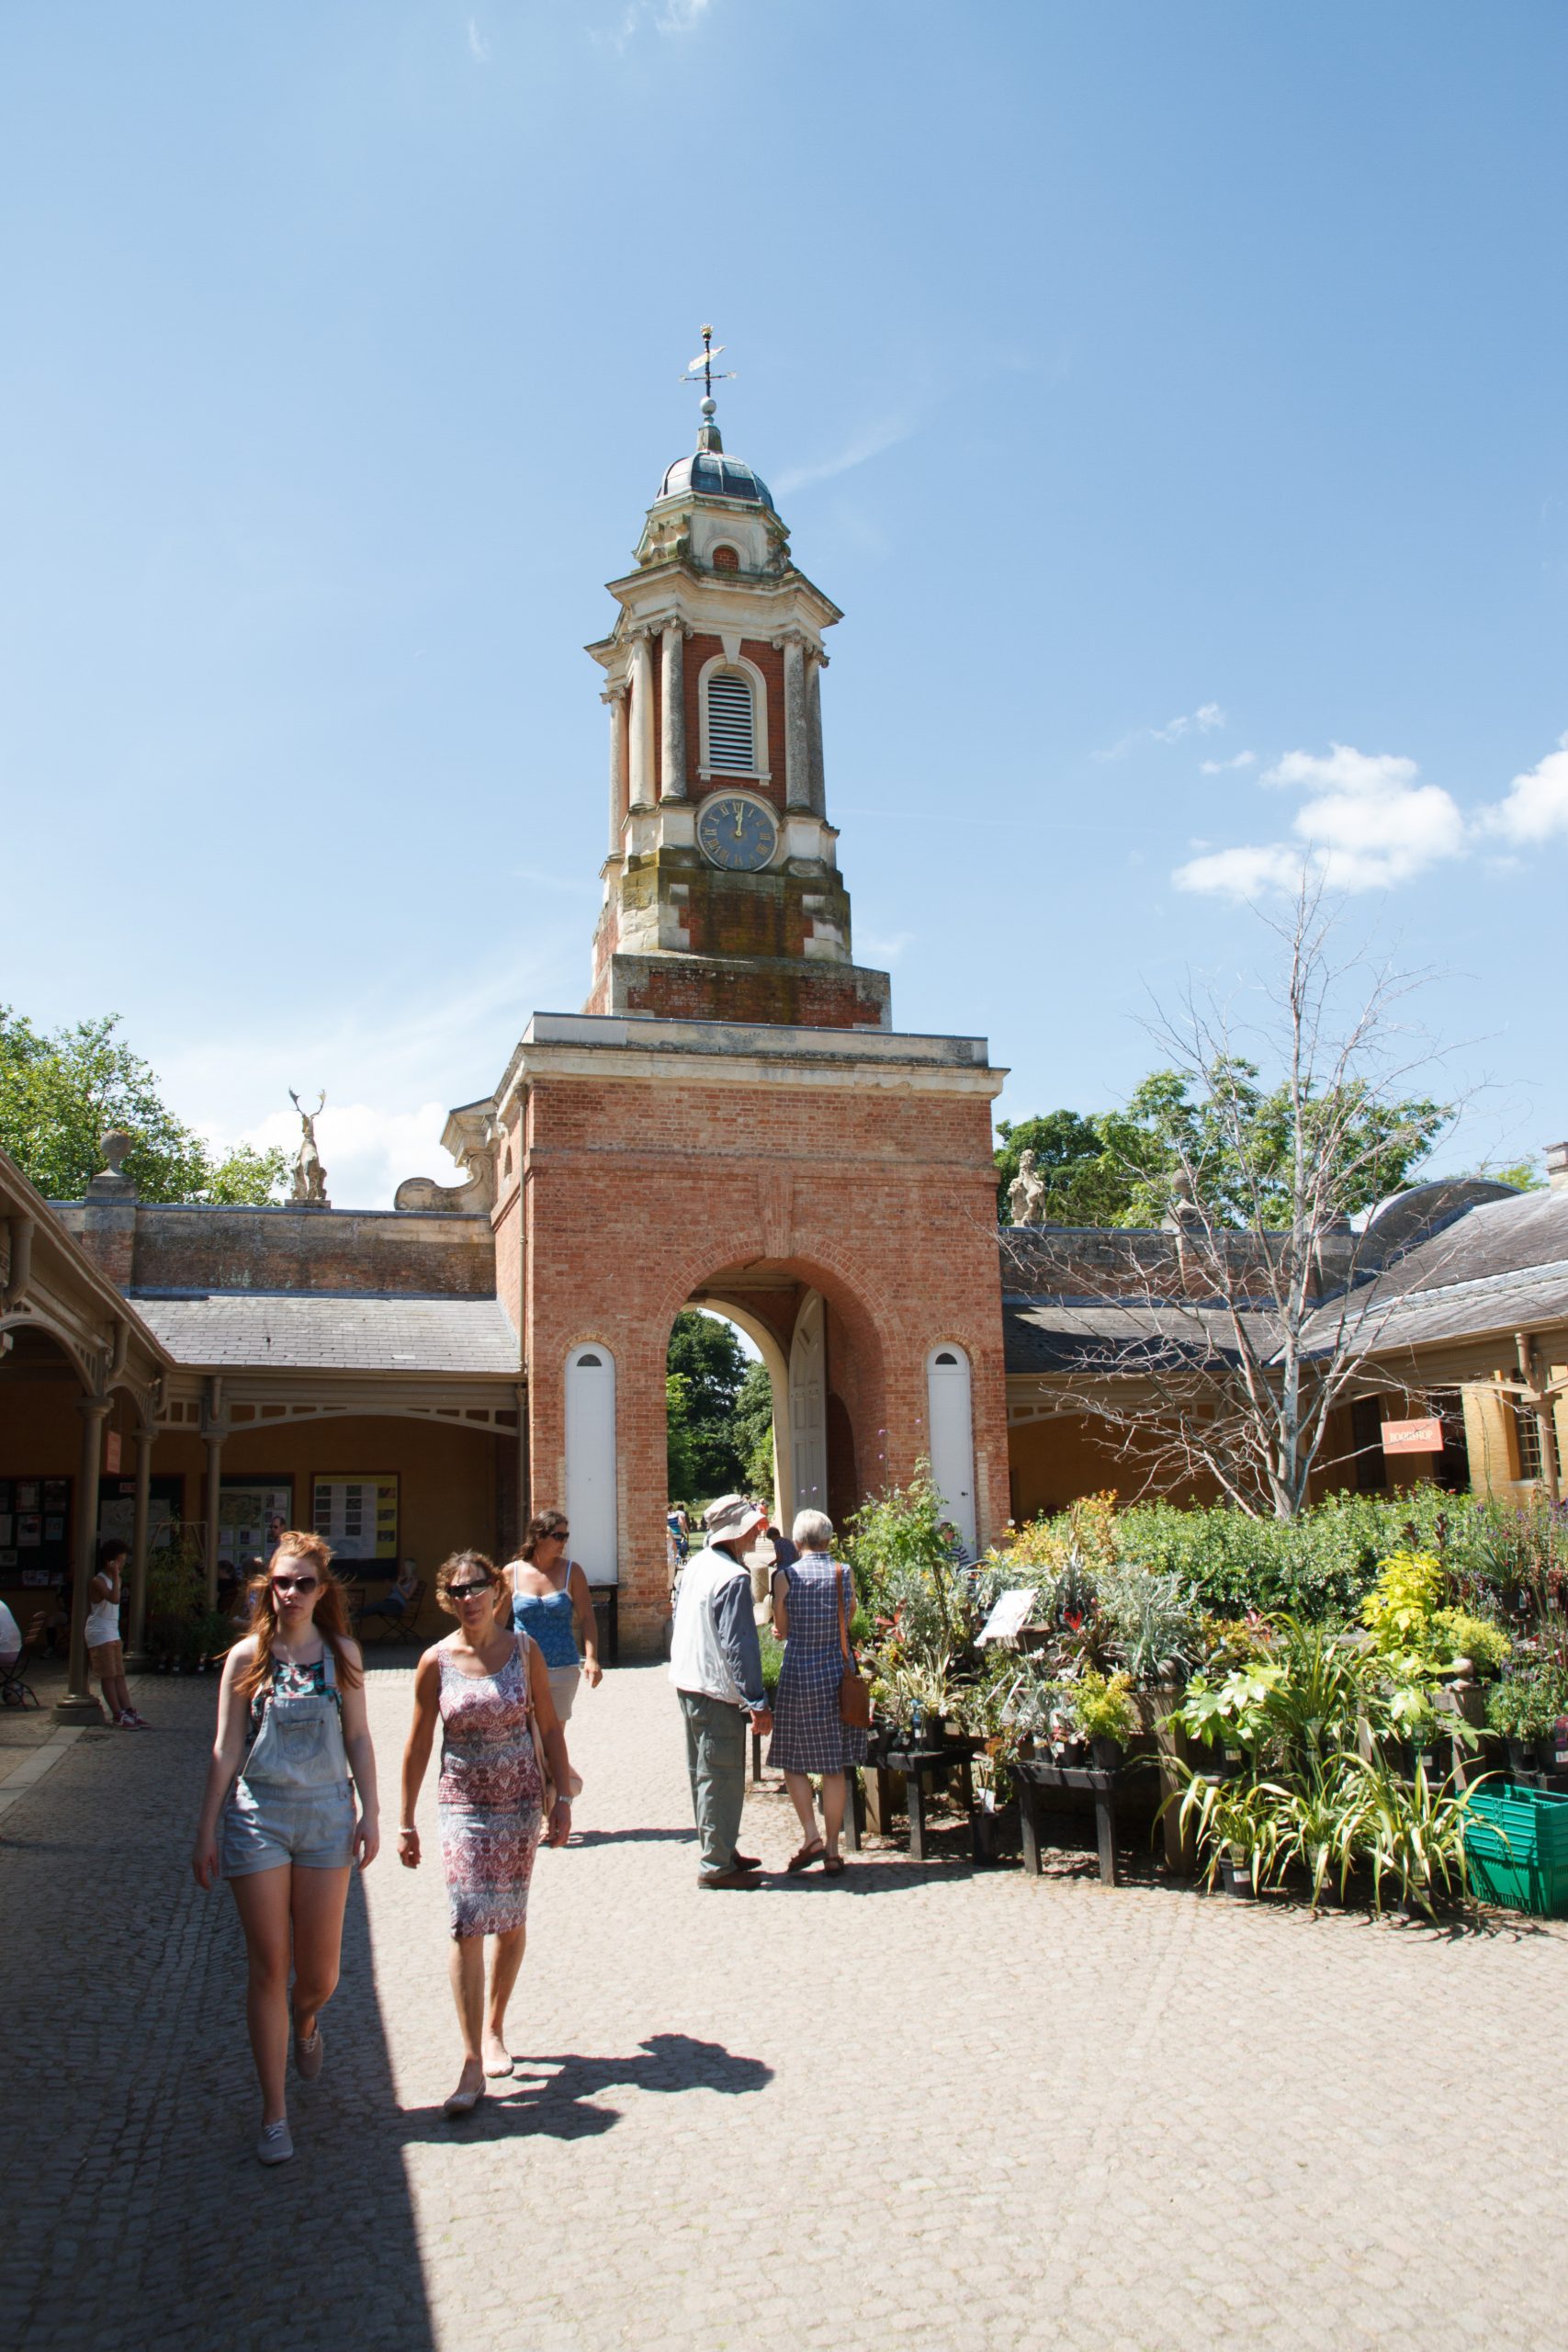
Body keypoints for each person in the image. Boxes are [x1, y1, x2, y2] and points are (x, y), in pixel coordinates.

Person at [189, 1531, 379, 2166]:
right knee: (270, 1965)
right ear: (266, 1587)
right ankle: (273, 2112)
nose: (291, 1593)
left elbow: (357, 1738)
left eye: (303, 1582)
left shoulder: (341, 1654)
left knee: (319, 1974)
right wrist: (206, 1828)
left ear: (322, 1590)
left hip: (326, 1816)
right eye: (281, 1582)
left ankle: (306, 2022)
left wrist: (371, 1811)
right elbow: (226, 1747)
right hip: (258, 1819)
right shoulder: (246, 1658)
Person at [398, 1551, 572, 2116]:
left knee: (511, 1918)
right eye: (456, 1589)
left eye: (477, 1587)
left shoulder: (524, 1652)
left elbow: (547, 1722)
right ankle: (472, 2059)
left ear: (496, 1592)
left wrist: (562, 1798)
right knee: (468, 1918)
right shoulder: (435, 1661)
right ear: (447, 1598)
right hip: (463, 1804)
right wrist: (404, 1819)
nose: (468, 1597)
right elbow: (420, 1741)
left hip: (520, 1801)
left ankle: (496, 2024)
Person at [668, 1494, 773, 1888]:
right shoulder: (733, 1577)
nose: (754, 1531)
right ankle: (716, 1865)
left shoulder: (697, 1565)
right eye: (749, 1526)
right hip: (714, 1688)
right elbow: (740, 1644)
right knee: (722, 1774)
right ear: (739, 1530)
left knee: (703, 1770)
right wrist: (757, 1700)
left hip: (689, 1680)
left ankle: (721, 1847)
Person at [769, 1509, 867, 1876]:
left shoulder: (786, 1576)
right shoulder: (844, 1573)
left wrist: (784, 1626)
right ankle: (832, 1849)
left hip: (798, 1671)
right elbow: (850, 1616)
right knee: (834, 1764)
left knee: (792, 1759)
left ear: (797, 1542)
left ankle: (810, 1834)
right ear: (828, 1539)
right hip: (836, 1672)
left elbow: (782, 1626)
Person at [505, 1510, 601, 1729]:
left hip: (562, 1669)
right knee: (524, 1738)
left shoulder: (572, 1571)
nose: (563, 1542)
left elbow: (587, 1617)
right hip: (522, 1669)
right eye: (558, 1536)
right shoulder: (513, 1572)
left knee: (553, 1741)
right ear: (539, 1536)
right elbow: (496, 1621)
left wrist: (592, 1658)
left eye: (566, 1536)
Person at [85, 1539, 144, 1727]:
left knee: (119, 1673)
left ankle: (128, 1709)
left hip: (112, 1630)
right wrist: (117, 1577)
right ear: (109, 1561)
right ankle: (117, 1713)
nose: (121, 1565)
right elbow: (114, 1599)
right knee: (108, 1675)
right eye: (118, 1561)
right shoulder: (98, 1580)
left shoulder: (111, 1580)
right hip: (99, 1631)